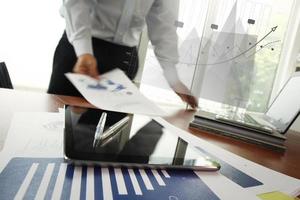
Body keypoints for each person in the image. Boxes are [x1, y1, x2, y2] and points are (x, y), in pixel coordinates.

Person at [48, 0, 198, 108]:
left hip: (122, 60)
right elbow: (76, 3)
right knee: (56, 129)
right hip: (78, 52)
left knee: (106, 141)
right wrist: (84, 51)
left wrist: (173, 77)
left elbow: (163, 24)